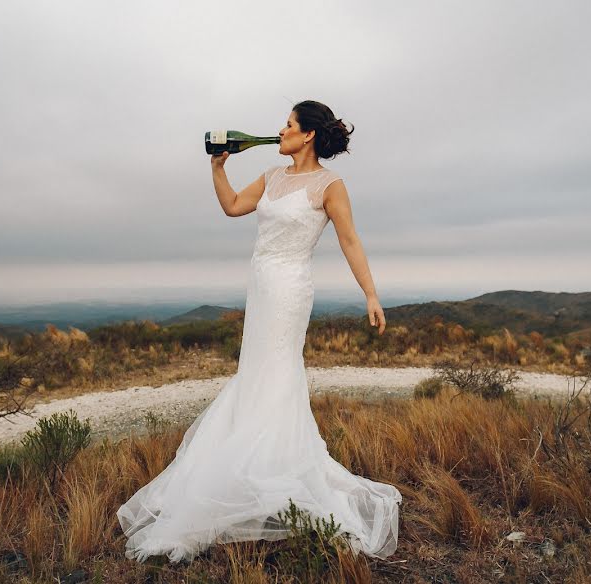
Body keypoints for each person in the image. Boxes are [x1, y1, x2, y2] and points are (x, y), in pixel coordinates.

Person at [116, 100, 401, 564]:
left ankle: (275, 471)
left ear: (308, 135)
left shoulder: (330, 185)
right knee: (256, 374)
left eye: (288, 124)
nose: (280, 130)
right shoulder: (271, 176)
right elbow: (232, 207)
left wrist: (370, 293)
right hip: (261, 286)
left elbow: (350, 240)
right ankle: (253, 471)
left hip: (290, 288)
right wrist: (218, 168)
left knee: (279, 372)